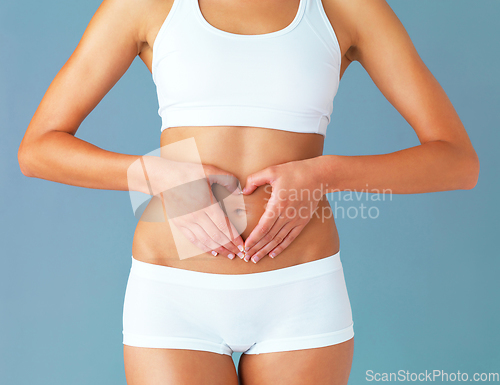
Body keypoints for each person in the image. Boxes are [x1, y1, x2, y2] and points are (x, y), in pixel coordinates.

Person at [18, 0, 479, 383]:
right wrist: (156, 175)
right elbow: (37, 149)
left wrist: (324, 173)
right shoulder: (147, 5)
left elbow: (458, 161)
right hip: (173, 293)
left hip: (300, 292)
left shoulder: (344, 8)